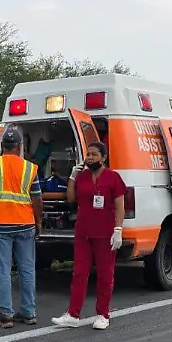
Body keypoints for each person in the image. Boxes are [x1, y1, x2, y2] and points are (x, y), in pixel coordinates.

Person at [52, 141, 126, 330]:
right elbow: (70, 198)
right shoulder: (82, 177)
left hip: (105, 234)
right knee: (79, 273)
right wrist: (72, 177)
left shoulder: (113, 177)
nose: (90, 158)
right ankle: (73, 314)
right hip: (84, 233)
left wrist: (118, 230)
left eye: (94, 155)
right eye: (88, 155)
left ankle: (103, 314)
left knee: (104, 274)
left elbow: (120, 206)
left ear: (103, 157)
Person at [0, 126, 43, 329]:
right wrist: (38, 220)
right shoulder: (30, 168)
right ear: (19, 146)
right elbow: (37, 198)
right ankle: (29, 312)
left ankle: (6, 315)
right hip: (25, 223)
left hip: (0, 224)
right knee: (27, 268)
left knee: (3, 269)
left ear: (2, 146)